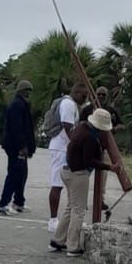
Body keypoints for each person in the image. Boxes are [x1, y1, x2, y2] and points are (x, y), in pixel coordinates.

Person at [52, 108, 112, 255]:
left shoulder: (81, 127)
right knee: (78, 210)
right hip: (78, 174)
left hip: (66, 170)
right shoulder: (90, 138)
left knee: (70, 207)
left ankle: (58, 239)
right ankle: (72, 246)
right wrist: (110, 167)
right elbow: (89, 160)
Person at [42, 80, 79, 238]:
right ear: (76, 92)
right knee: (56, 184)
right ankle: (53, 220)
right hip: (61, 147)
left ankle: (68, 218)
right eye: (83, 95)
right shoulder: (68, 104)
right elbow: (67, 125)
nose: (85, 99)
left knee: (69, 184)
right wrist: (75, 144)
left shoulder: (69, 103)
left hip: (63, 147)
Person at [0, 80, 36, 215]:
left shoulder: (22, 104)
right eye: (27, 90)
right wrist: (22, 146)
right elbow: (17, 127)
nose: (29, 93)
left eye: (30, 90)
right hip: (15, 146)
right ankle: (3, 203)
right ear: (20, 91)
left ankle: (19, 202)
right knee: (14, 173)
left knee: (22, 173)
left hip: (18, 145)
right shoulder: (17, 105)